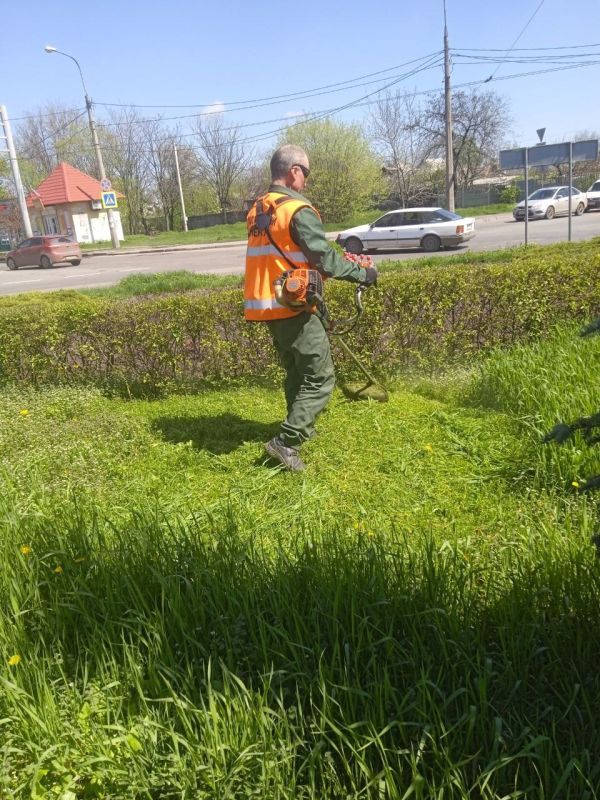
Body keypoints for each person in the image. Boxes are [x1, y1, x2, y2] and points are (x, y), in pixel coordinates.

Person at [244, 144, 378, 472]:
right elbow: (323, 258)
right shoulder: (295, 209)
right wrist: (364, 273)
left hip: (268, 304)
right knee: (320, 377)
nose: (306, 179)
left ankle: (298, 423)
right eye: (306, 172)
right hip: (295, 305)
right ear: (294, 172)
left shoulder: (259, 208)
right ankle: (287, 441)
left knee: (296, 370)